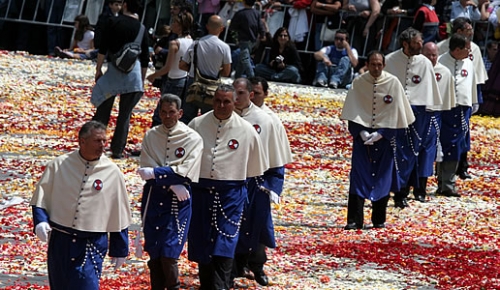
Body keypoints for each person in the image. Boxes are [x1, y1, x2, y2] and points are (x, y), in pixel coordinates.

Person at [30, 121, 132, 289]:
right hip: (61, 241)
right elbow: (41, 198)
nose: (102, 145)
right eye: (97, 141)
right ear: (82, 141)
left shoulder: (113, 172)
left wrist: (120, 248)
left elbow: (118, 211)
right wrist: (40, 221)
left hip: (91, 243)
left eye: (104, 141)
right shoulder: (58, 165)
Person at [187, 84, 268, 290]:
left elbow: (254, 169)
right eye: (217, 101)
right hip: (201, 192)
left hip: (230, 195)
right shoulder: (196, 124)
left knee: (225, 243)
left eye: (226, 101)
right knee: (204, 243)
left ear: (235, 103)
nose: (221, 105)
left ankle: (222, 285)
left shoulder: (247, 131)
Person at [341, 51, 415, 230]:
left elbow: (397, 114)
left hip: (384, 140)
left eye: (379, 65)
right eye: (373, 64)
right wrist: (361, 132)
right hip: (362, 141)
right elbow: (352, 112)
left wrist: (382, 133)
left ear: (384, 65)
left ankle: (378, 219)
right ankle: (354, 220)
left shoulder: (393, 83)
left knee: (382, 179)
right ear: (367, 64)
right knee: (358, 177)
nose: (376, 68)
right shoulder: (359, 83)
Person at [137, 94, 203, 290]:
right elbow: (144, 170)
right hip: (154, 198)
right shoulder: (151, 135)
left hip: (177, 202)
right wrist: (171, 181)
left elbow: (188, 169)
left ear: (180, 113)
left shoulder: (192, 138)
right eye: (163, 112)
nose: (167, 116)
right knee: (155, 251)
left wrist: (159, 175)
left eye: (171, 112)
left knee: (170, 251)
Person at [232, 77, 293, 286]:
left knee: (256, 227)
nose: (236, 97)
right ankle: (231, 268)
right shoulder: (223, 116)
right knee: (228, 226)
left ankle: (257, 266)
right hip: (229, 182)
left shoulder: (267, 120)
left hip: (256, 183)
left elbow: (276, 159)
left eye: (242, 93)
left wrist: (273, 186)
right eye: (234, 92)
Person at [384, 27, 441, 207]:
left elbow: (430, 90)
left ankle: (402, 192)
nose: (420, 45)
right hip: (394, 111)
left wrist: (430, 110)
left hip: (418, 113)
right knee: (392, 152)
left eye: (420, 42)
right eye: (417, 43)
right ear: (405, 43)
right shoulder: (390, 60)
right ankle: (386, 189)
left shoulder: (424, 62)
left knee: (411, 153)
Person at [91, 0, 149, 159]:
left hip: (113, 73)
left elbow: (103, 47)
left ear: (125, 5)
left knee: (103, 112)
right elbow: (145, 58)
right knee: (124, 116)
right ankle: (117, 150)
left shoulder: (113, 22)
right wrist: (141, 81)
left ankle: (94, 144)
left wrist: (98, 69)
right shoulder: (142, 29)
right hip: (133, 75)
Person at [437, 17, 488, 180]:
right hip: (445, 102)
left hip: (465, 100)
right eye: (468, 30)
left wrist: (476, 99)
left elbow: (476, 77)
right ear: (458, 32)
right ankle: (441, 170)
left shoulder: (474, 49)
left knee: (463, 134)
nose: (471, 32)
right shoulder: (440, 49)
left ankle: (462, 167)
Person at [436, 33, 477, 197]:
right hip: (445, 108)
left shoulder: (469, 62)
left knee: (456, 146)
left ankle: (449, 183)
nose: (469, 51)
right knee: (441, 144)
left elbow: (472, 84)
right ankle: (441, 181)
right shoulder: (440, 62)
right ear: (457, 49)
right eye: (467, 48)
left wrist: (474, 102)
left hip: (462, 109)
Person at [179, 15, 232, 124]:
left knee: (187, 118)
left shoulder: (196, 43)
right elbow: (226, 72)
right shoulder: (224, 47)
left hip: (194, 83)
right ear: (222, 28)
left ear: (207, 27)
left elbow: (182, 65)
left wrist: (194, 69)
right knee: (208, 121)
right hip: (212, 88)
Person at [421, 42, 457, 201]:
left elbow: (449, 101)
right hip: (418, 115)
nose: (431, 58)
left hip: (438, 115)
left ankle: (427, 187)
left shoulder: (444, 72)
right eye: (428, 54)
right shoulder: (415, 69)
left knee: (434, 153)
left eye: (434, 55)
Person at [147, 12, 194, 127]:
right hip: (185, 80)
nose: (171, 25)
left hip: (174, 80)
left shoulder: (174, 43)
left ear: (180, 25)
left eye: (174, 22)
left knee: (161, 113)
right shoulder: (191, 41)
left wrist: (153, 75)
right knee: (176, 112)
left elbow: (167, 67)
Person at [229, 0, 266, 78]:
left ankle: (252, 77)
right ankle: (237, 76)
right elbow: (260, 25)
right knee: (242, 58)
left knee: (245, 59)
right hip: (253, 40)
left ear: (244, 2)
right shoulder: (256, 13)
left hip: (243, 39)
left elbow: (232, 26)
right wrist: (262, 34)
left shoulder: (240, 13)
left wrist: (235, 37)